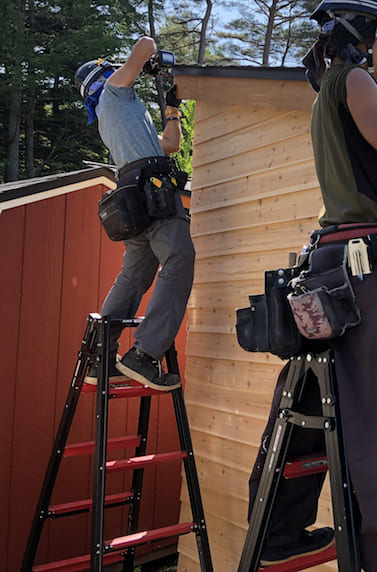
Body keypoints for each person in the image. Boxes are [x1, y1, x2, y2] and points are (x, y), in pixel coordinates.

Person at [247, 0, 377, 570]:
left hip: (330, 265)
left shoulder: (328, 95)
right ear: (368, 33)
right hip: (367, 271)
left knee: (309, 404)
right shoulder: (356, 79)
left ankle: (277, 532)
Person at [75, 36, 194, 391]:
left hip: (135, 195)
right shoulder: (113, 91)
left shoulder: (118, 116)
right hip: (152, 188)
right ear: (102, 77)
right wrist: (147, 63)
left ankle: (101, 357)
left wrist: (172, 109)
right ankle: (144, 354)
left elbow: (170, 144)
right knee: (180, 257)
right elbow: (146, 43)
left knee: (134, 275)